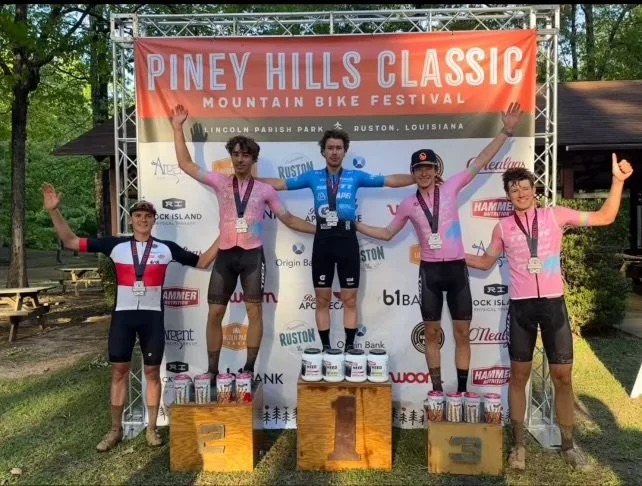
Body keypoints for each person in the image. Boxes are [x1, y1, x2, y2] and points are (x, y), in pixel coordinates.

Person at [464, 155, 633, 472]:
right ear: (508, 195)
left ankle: (568, 446)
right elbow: (485, 262)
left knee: (563, 378)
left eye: (524, 187)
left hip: (554, 305)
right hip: (522, 308)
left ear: (534, 190)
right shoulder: (503, 227)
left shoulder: (555, 215)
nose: (520, 193)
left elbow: (605, 217)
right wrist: (451, 255)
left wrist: (617, 181)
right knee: (518, 378)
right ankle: (518, 447)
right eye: (514, 190)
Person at [354, 103, 523, 393]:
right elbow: (387, 233)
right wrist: (356, 225)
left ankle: (461, 391)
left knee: (462, 333)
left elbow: (480, 161)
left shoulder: (451, 187)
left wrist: (505, 132)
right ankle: (436, 390)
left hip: (456, 270)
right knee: (431, 333)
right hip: (430, 272)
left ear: (436, 170)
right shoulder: (409, 204)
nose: (424, 173)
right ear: (413, 173)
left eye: (428, 168)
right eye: (418, 169)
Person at [42, 183, 220, 452]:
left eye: (148, 216)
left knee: (152, 373)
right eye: (138, 215)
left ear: (154, 221)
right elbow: (71, 242)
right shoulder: (115, 245)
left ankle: (152, 429)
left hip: (152, 318)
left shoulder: (166, 248)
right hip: (123, 317)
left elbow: (203, 262)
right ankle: (116, 429)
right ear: (132, 219)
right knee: (119, 372)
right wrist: (54, 211)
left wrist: (226, 233)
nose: (143, 220)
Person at [170, 104, 316, 381]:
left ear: (253, 159)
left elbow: (289, 219)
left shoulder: (265, 190)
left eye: (245, 155)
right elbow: (186, 165)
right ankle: (212, 370)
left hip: (252, 256)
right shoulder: (220, 182)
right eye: (235, 154)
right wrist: (177, 128)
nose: (239, 160)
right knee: (214, 313)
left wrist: (321, 231)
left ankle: (248, 369)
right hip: (225, 254)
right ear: (231, 157)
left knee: (254, 311)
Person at [259, 128, 416, 353]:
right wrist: (248, 179)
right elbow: (281, 183)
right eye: (330, 148)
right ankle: (326, 351)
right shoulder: (312, 176)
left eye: (338, 148)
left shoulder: (355, 176)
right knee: (322, 299)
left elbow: (389, 181)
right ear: (323, 152)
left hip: (347, 242)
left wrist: (417, 178)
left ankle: (350, 349)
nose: (334, 152)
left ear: (344, 151)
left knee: (350, 300)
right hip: (322, 242)